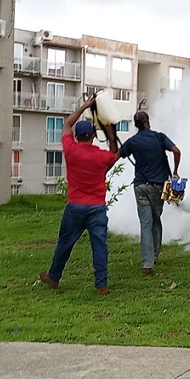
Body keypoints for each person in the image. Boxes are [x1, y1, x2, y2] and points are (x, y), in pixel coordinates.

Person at [39, 96, 119, 295]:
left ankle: (54, 277)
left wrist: (85, 105)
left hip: (75, 206)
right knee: (100, 246)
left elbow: (67, 123)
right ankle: (101, 285)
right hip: (97, 208)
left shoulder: (70, 150)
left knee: (65, 243)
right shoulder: (101, 157)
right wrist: (110, 134)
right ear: (92, 136)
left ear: (77, 136)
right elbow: (114, 156)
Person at [118, 111, 181, 276]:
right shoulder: (159, 138)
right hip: (158, 187)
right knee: (155, 220)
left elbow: (118, 154)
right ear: (148, 122)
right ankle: (154, 255)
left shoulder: (133, 141)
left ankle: (147, 264)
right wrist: (175, 172)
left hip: (140, 186)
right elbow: (176, 151)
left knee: (145, 224)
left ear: (136, 124)